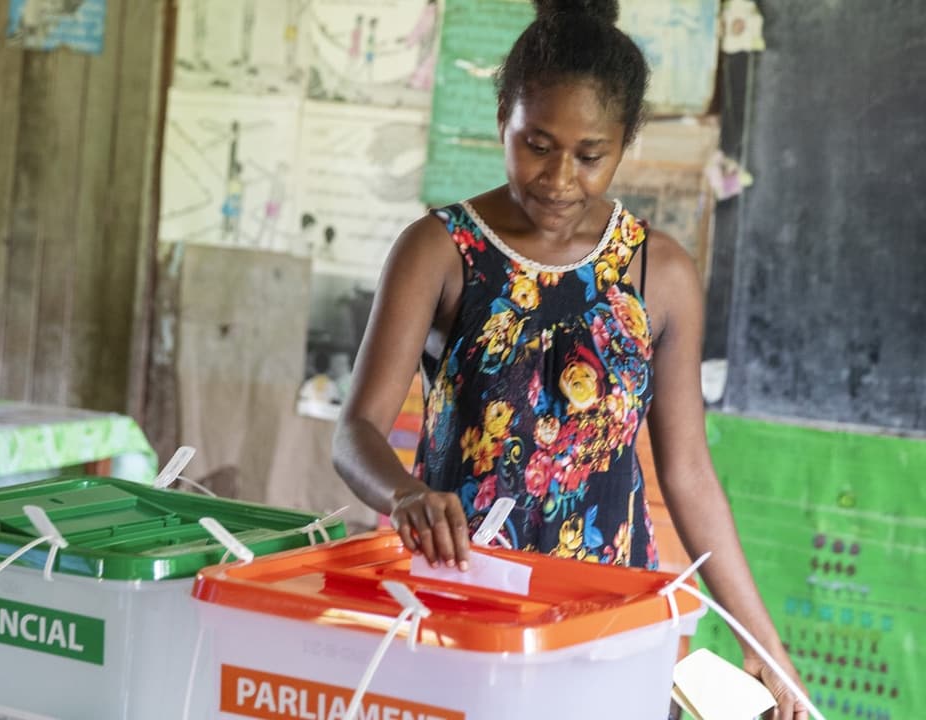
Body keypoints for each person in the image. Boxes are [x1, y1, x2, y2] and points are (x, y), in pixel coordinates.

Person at [332, 1, 807, 718]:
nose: (559, 179)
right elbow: (355, 433)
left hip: (609, 620)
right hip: (466, 605)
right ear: (503, 119)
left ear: (626, 143)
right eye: (536, 144)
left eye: (590, 155)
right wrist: (404, 495)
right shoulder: (439, 251)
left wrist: (763, 644)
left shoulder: (661, 273)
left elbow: (687, 472)